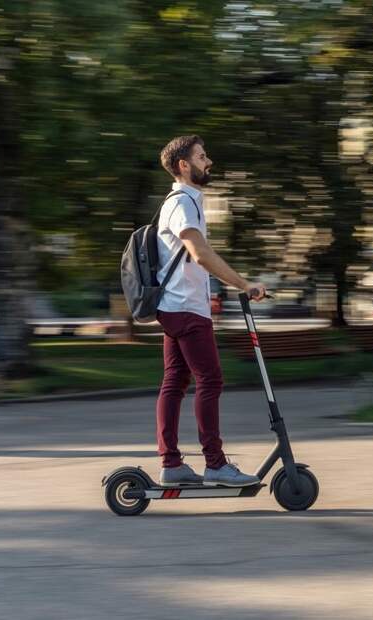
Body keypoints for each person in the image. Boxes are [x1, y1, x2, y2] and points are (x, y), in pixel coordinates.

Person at [155, 135, 266, 488]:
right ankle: (215, 464)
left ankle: (171, 464)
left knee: (175, 382)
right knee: (210, 380)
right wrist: (243, 284)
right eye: (202, 157)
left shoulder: (186, 202)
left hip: (178, 306)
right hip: (186, 308)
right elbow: (200, 254)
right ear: (183, 165)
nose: (209, 162)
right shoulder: (182, 203)